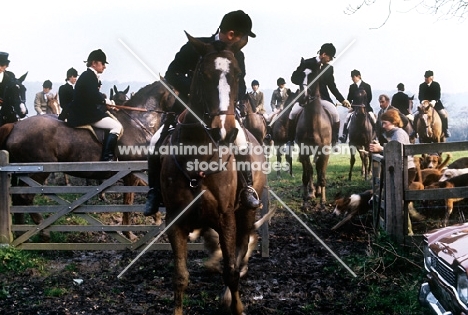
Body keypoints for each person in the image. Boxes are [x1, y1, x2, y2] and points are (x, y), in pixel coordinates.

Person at [144, 10, 259, 216]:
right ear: (232, 34)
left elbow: (240, 87)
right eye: (244, 36)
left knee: (241, 141)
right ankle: (154, 191)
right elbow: (172, 74)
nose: (244, 41)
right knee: (155, 141)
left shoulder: (238, 55)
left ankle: (247, 187)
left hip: (223, 111)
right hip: (188, 107)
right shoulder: (194, 47)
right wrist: (198, 90)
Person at [288, 43, 349, 146]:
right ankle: (290, 141)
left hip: (323, 99)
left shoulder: (329, 68)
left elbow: (332, 86)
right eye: (330, 57)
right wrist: (301, 73)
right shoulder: (307, 62)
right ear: (324, 54)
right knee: (292, 113)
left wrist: (342, 100)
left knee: (335, 114)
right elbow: (294, 79)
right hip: (305, 98)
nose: (330, 60)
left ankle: (334, 141)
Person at [66, 49, 122, 161]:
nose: (104, 67)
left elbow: (92, 94)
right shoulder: (89, 76)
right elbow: (94, 95)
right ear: (94, 63)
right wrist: (107, 101)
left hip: (85, 111)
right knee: (117, 126)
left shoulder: (88, 75)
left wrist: (106, 101)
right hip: (85, 114)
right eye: (102, 63)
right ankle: (107, 157)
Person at [369, 109, 416, 185]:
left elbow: (397, 153)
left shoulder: (398, 134)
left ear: (393, 122)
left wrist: (380, 149)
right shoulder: (395, 133)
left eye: (385, 123)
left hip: (405, 170)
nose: (383, 126)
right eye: (382, 124)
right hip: (402, 169)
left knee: (397, 195)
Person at [339, 69, 375, 143]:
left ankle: (375, 136)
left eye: (353, 77)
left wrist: (364, 106)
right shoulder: (352, 87)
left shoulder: (367, 86)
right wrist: (348, 104)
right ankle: (344, 136)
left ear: (359, 76)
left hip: (366, 108)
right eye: (351, 77)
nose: (352, 79)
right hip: (355, 108)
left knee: (373, 118)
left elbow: (370, 98)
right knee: (347, 118)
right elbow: (349, 98)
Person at [418, 70, 450, 137]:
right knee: (417, 116)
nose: (426, 78)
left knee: (443, 114)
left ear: (432, 77)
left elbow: (438, 95)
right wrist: (423, 101)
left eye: (427, 77)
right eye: (425, 77)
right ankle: (415, 131)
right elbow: (420, 96)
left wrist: (434, 101)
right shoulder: (422, 85)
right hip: (425, 105)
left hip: (435, 104)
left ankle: (445, 129)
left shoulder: (436, 85)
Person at [0, 51, 27, 124]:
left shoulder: (10, 76)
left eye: (2, 65)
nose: (0, 67)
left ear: (6, 66)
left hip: (6, 108)